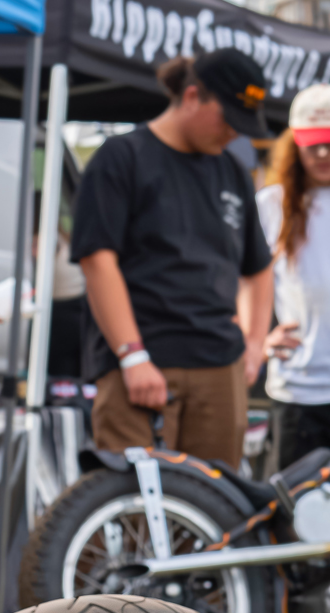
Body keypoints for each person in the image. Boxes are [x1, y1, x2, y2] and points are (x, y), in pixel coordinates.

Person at [72, 50, 273, 470]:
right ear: (193, 96)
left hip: (218, 362)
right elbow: (97, 262)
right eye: (228, 119)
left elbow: (258, 268)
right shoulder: (122, 157)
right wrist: (132, 355)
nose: (232, 135)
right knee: (133, 507)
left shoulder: (232, 171)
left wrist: (254, 344)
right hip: (142, 361)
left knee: (216, 507)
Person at [259, 84, 330, 470]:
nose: (322, 153)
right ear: (294, 145)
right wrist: (257, 337)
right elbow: (238, 282)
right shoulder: (272, 206)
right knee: (294, 518)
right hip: (298, 390)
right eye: (312, 143)